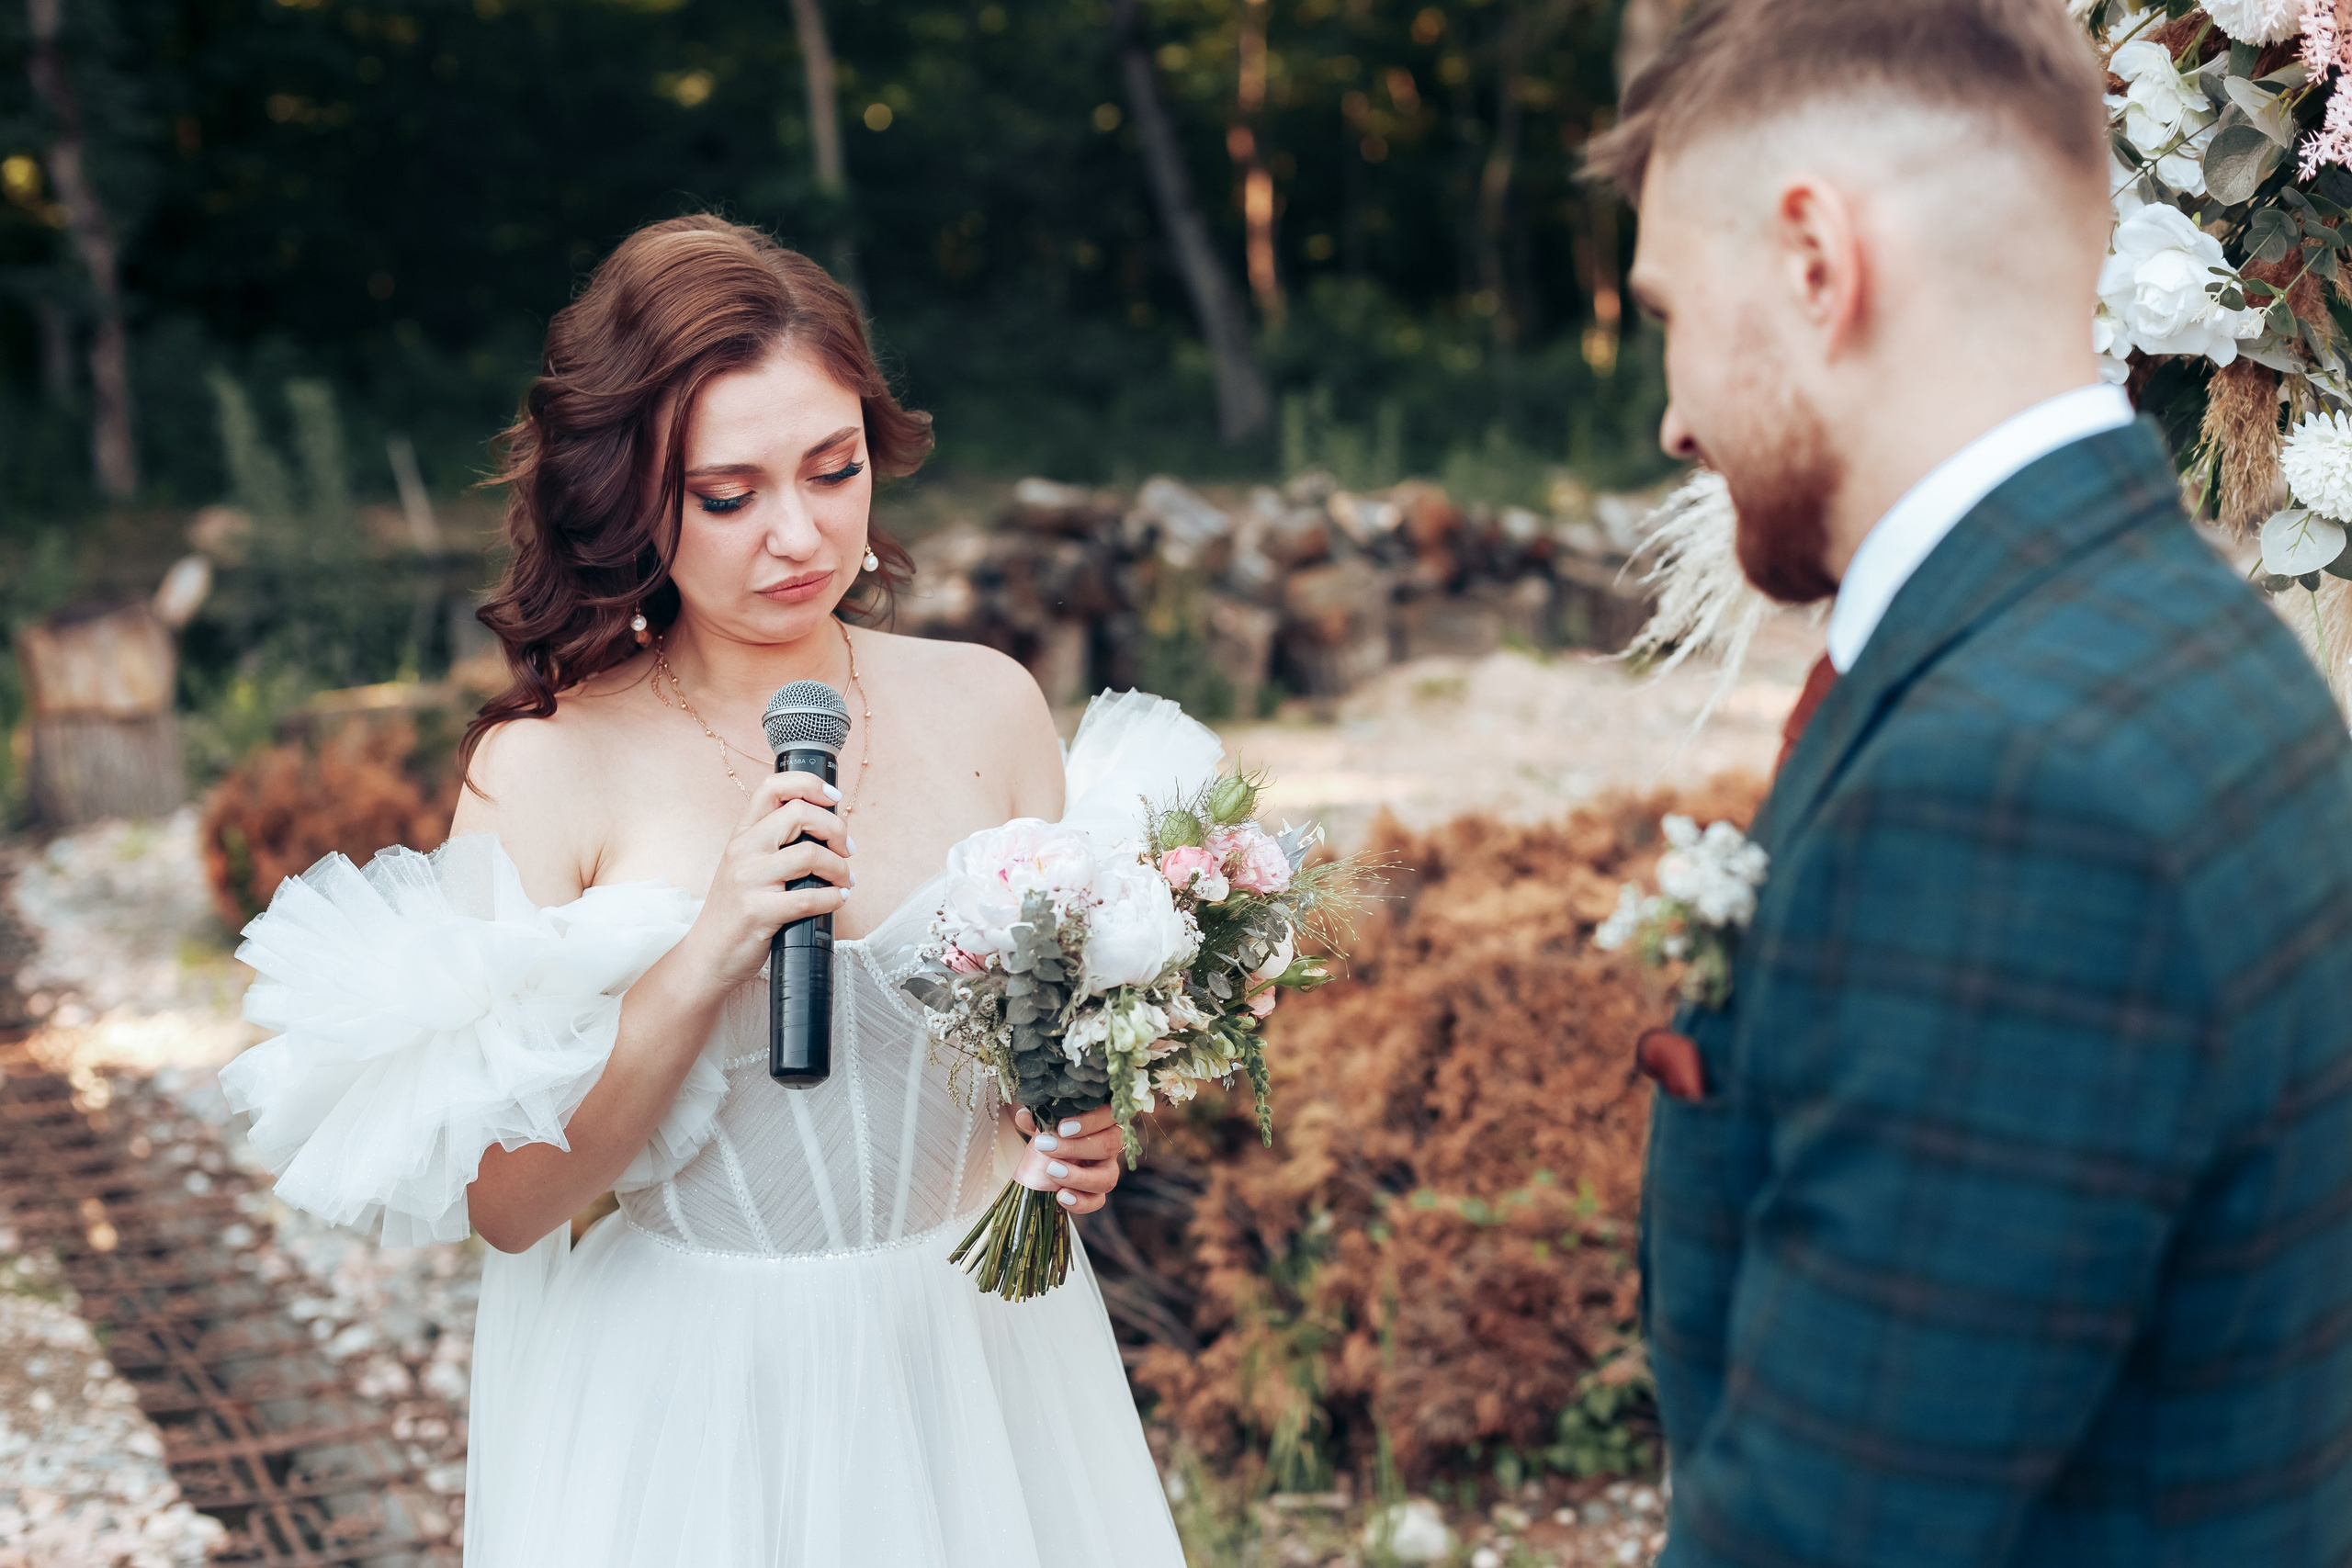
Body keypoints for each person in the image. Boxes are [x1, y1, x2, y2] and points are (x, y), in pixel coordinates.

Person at [218, 215, 1194, 1566]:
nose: (798, 536)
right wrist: (706, 952)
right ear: (627, 495)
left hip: (980, 1359)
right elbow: (510, 1207)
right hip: (696, 1401)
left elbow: (1040, 1058)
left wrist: (1082, 1133)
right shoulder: (548, 770)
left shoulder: (990, 705)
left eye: (835, 469)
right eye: (729, 495)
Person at [1589, 2, 2352, 1563]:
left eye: (1669, 305)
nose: (1671, 415)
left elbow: (1833, 1530)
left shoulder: (2005, 784)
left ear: (1815, 260)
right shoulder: (2198, 645)